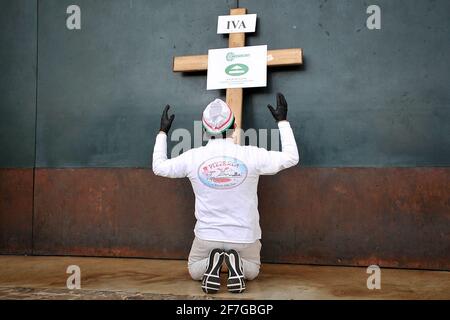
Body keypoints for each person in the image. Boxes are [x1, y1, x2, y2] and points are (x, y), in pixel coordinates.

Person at [152, 93, 299, 293]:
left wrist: (162, 132)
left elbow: (159, 167)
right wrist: (282, 121)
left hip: (207, 237)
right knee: (253, 270)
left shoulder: (193, 157)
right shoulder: (251, 154)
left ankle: (214, 262)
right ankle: (235, 264)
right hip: (244, 237)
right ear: (234, 127)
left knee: (195, 270)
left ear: (204, 130)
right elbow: (291, 157)